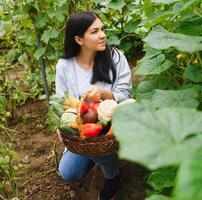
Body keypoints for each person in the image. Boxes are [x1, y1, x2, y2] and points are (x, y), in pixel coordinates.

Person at [55, 11, 132, 200]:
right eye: (95, 31)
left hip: (112, 127)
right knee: (69, 172)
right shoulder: (64, 66)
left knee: (99, 140)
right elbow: (62, 101)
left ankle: (113, 175)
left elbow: (126, 94)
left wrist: (104, 94)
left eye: (102, 29)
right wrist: (61, 125)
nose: (103, 35)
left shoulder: (115, 57)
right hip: (82, 129)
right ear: (79, 39)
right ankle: (99, 158)